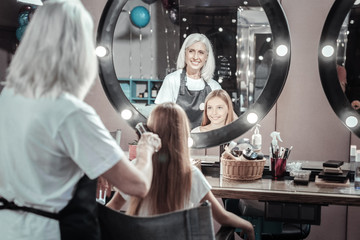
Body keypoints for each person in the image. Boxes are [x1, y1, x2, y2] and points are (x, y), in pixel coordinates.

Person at [0, 1, 161, 240]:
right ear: (79, 49)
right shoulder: (70, 112)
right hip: (49, 233)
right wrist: (146, 148)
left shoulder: (8, 97)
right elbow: (137, 185)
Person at [106, 102, 255, 240]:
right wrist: (247, 225)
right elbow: (222, 217)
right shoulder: (190, 175)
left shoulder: (136, 170)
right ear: (183, 135)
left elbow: (109, 211)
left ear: (150, 131)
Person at [155, 33, 222, 129]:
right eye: (191, 51)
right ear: (185, 53)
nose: (195, 57)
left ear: (206, 57)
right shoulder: (172, 80)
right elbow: (160, 117)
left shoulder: (214, 86)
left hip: (206, 140)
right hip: (176, 139)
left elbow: (222, 119)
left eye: (201, 52)